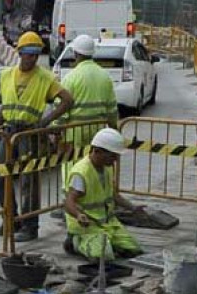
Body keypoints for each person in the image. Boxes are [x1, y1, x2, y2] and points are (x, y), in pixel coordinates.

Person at [0, 31, 74, 242]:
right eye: (29, 54)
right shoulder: (7, 75)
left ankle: (30, 226)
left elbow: (67, 100)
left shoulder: (45, 77)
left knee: (29, 180)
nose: (33, 58)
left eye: (36, 54)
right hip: (9, 132)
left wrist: (45, 122)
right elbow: (5, 105)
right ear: (20, 52)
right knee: (1, 176)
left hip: (30, 133)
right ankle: (11, 219)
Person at [50, 34, 119, 219]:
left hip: (74, 131)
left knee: (71, 165)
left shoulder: (71, 77)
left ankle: (70, 203)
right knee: (96, 166)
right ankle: (96, 199)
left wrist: (56, 130)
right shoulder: (104, 76)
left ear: (75, 53)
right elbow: (112, 108)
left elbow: (62, 109)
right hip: (98, 131)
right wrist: (114, 130)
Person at [63, 128, 145, 261]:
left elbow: (113, 195)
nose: (115, 160)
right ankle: (74, 241)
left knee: (133, 249)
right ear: (97, 151)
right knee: (102, 256)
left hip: (108, 224)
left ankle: (107, 242)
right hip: (88, 227)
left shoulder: (107, 168)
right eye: (112, 156)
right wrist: (78, 215)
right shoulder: (81, 172)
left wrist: (132, 208)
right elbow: (68, 202)